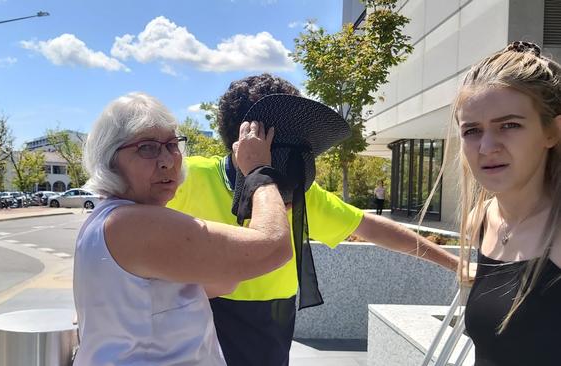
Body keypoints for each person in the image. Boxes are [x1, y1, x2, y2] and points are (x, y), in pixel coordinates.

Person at [167, 73, 460, 366]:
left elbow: (371, 227)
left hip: (272, 322)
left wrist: (456, 265)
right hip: (201, 315)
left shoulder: (305, 193)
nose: (288, 197)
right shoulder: (186, 180)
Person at [73, 92, 293, 365]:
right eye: (147, 147)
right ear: (110, 159)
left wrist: (266, 209)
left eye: (172, 145)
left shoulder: (111, 220)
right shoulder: (132, 224)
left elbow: (223, 281)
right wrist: (260, 171)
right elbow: (273, 248)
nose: (167, 160)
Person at [446, 42, 560, 365]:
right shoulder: (481, 220)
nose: (486, 146)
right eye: (472, 130)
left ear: (551, 132)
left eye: (509, 125)